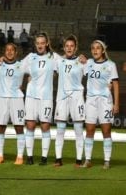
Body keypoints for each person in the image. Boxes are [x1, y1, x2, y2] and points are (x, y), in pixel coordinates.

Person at [22, 32, 61, 165]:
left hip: (46, 97)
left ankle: (44, 158)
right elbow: (17, 68)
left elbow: (66, 64)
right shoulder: (30, 57)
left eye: (42, 43)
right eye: (37, 43)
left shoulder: (53, 57)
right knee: (30, 125)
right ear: (35, 44)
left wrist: (81, 60)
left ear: (47, 43)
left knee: (45, 126)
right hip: (31, 96)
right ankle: (30, 157)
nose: (40, 45)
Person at [82, 40, 119, 169]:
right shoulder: (89, 63)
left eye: (98, 48)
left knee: (106, 130)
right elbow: (76, 65)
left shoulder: (110, 65)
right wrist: (80, 59)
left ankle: (107, 161)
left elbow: (115, 84)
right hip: (91, 101)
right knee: (89, 130)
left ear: (103, 50)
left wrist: (116, 104)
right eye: (93, 48)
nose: (95, 50)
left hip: (105, 102)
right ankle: (87, 160)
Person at [54, 34, 85, 167]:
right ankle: (58, 159)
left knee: (78, 129)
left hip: (77, 98)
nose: (69, 48)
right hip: (62, 98)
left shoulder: (82, 62)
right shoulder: (58, 61)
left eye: (72, 46)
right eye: (67, 46)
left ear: (76, 48)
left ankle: (78, 160)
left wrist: (108, 84)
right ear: (63, 47)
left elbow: (95, 73)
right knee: (60, 129)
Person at [0, 43, 26, 165]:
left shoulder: (22, 65)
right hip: (2, 98)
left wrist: (30, 79)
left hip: (17, 99)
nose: (9, 52)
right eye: (7, 50)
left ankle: (19, 156)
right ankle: (0, 155)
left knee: (19, 127)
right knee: (1, 127)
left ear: (16, 52)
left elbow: (36, 72)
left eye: (12, 50)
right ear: (4, 52)